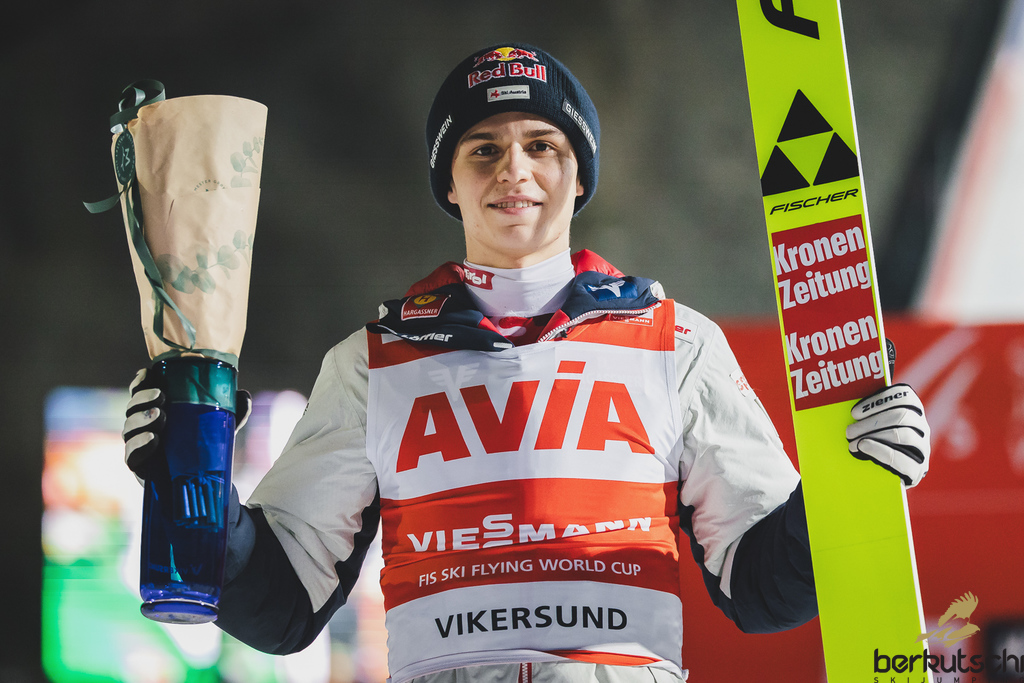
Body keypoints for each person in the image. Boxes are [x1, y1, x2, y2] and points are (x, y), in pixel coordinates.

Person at [122, 43, 931, 682]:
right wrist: (189, 480)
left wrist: (848, 484)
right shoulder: (373, 364)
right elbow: (278, 608)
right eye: (483, 149)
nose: (514, 169)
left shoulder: (674, 344)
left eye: (542, 145)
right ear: (449, 182)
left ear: (578, 175)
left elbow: (762, 586)